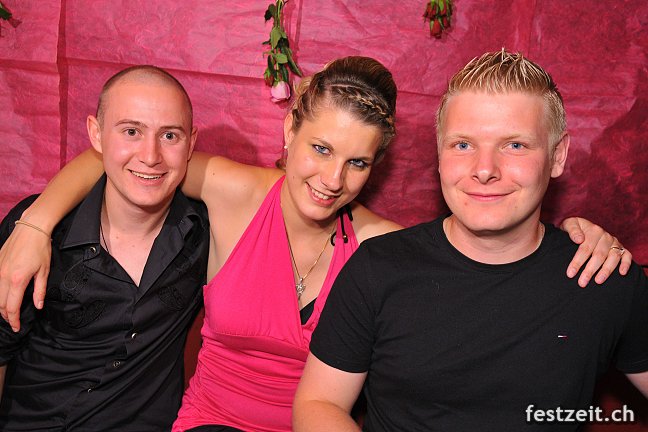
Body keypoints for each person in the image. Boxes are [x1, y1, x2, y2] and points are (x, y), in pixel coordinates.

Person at [0, 56, 631, 432]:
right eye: (321, 149)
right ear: (289, 131)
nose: (332, 180)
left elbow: (478, 246)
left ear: (376, 169)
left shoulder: (382, 249)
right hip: (211, 423)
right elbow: (130, 158)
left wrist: (575, 236)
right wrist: (35, 223)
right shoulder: (233, 191)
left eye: (357, 163)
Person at [293, 50, 648, 432]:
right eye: (463, 145)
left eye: (514, 145)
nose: (484, 170)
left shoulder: (602, 275)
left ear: (557, 155)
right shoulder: (377, 268)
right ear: (439, 154)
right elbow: (319, 404)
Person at [0, 66, 209, 430]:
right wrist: (37, 222)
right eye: (131, 131)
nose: (150, 155)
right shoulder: (39, 233)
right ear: (96, 134)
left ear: (191, 144)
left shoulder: (205, 232)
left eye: (169, 136)